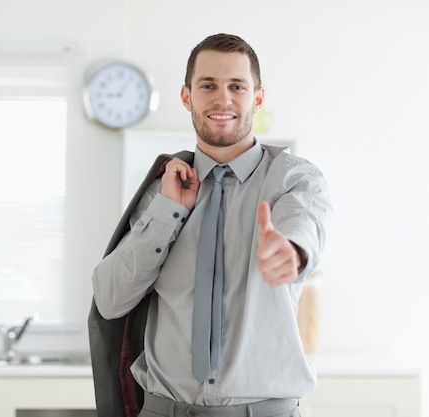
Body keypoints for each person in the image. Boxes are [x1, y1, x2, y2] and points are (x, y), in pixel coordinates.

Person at [89, 33, 332, 417]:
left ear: (258, 98)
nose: (223, 99)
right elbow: (109, 300)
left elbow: (303, 224)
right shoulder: (160, 191)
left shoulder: (293, 179)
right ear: (187, 97)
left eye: (237, 86)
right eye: (208, 86)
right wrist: (169, 210)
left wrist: (290, 251)